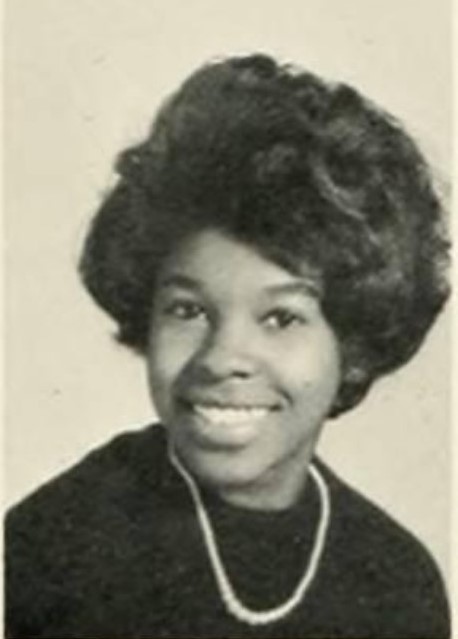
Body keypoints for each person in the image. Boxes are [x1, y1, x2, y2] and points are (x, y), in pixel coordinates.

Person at [5, 53, 450, 638]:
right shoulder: (56, 548)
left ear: (355, 344)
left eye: (281, 318)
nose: (222, 357)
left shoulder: (395, 582)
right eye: (189, 310)